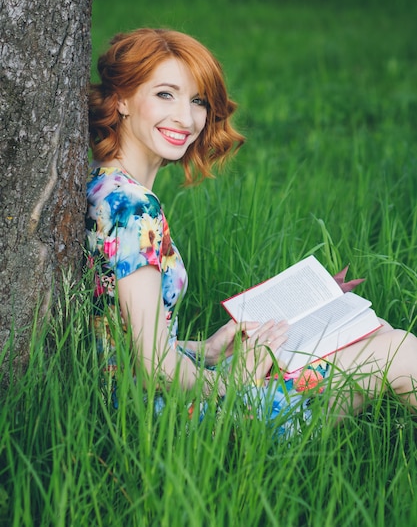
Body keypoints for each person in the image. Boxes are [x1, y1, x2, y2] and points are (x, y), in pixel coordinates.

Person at [86, 27, 417, 435]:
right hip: (166, 418)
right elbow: (156, 369)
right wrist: (230, 380)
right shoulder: (134, 207)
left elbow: (123, 344)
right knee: (400, 351)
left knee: (376, 336)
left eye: (198, 101)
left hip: (135, 402)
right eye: (165, 94)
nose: (186, 118)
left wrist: (205, 350)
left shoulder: (105, 189)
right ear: (121, 99)